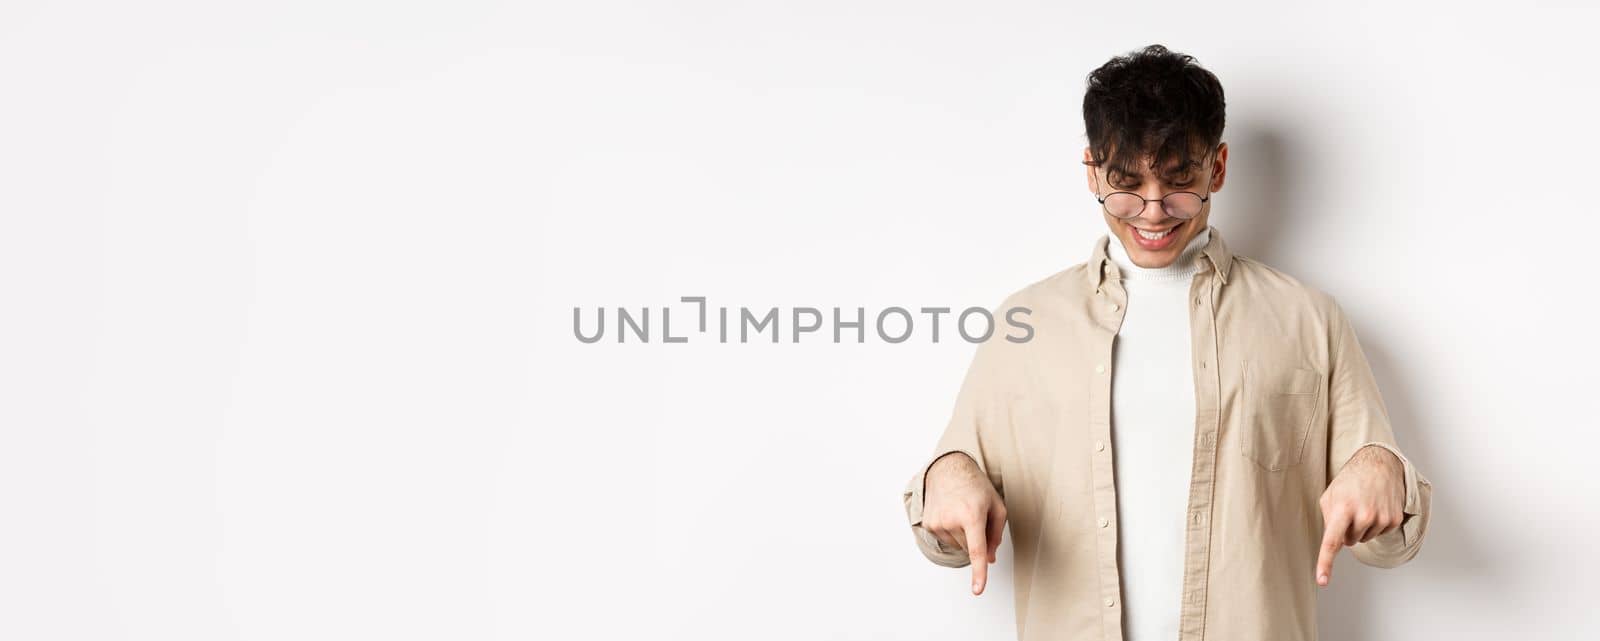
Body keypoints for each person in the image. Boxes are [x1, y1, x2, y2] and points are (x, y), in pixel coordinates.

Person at [900, 44, 1431, 641]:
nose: (1153, 211)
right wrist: (949, 476)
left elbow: (1390, 543)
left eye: (1180, 182)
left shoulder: (1308, 320)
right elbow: (943, 530)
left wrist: (1381, 466)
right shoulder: (1024, 324)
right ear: (1093, 171)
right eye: (1127, 185)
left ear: (1219, 168)